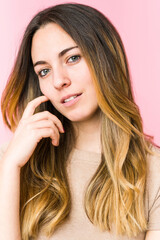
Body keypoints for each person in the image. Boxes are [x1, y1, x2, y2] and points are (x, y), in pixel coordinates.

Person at [0, 3, 160, 240]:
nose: (58, 81)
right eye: (44, 71)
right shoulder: (16, 164)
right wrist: (10, 167)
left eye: (72, 58)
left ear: (105, 59)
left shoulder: (153, 172)